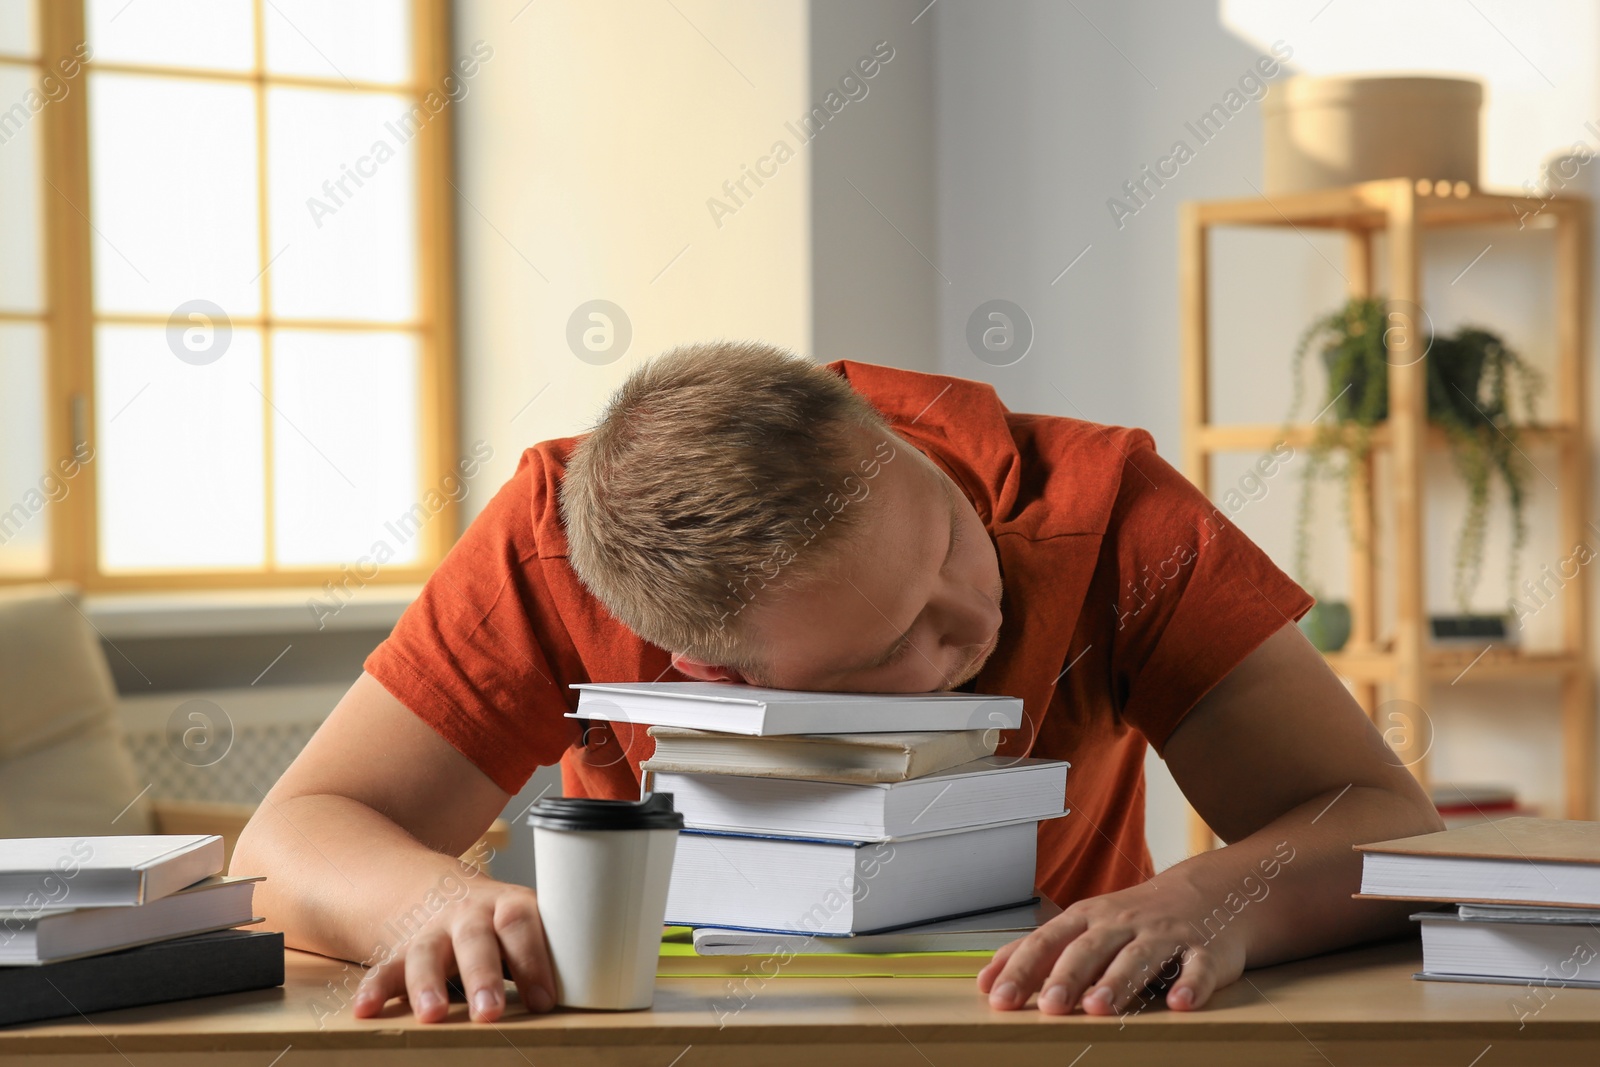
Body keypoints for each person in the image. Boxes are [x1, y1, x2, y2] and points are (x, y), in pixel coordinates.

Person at [231, 342, 1441, 1023]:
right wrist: (429, 904)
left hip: (1036, 1035)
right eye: (892, 647)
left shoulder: (1106, 508)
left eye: (949, 542)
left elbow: (1377, 815)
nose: (973, 624)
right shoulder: (553, 543)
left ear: (890, 443)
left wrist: (1213, 896)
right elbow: (286, 840)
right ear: (699, 669)